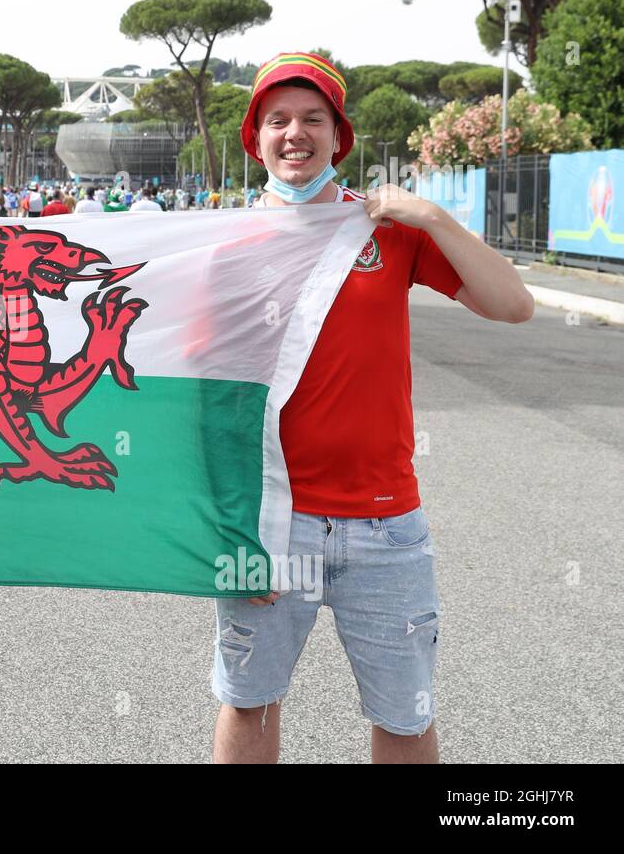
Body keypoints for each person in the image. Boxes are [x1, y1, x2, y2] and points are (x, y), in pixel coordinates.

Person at [210, 50, 534, 765]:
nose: (295, 134)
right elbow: (208, 397)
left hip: (386, 526)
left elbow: (514, 305)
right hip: (270, 520)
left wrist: (433, 216)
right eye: (278, 120)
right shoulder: (222, 244)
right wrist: (232, 530)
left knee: (405, 715)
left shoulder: (385, 229)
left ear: (338, 136)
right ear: (254, 137)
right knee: (249, 702)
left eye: (313, 120)